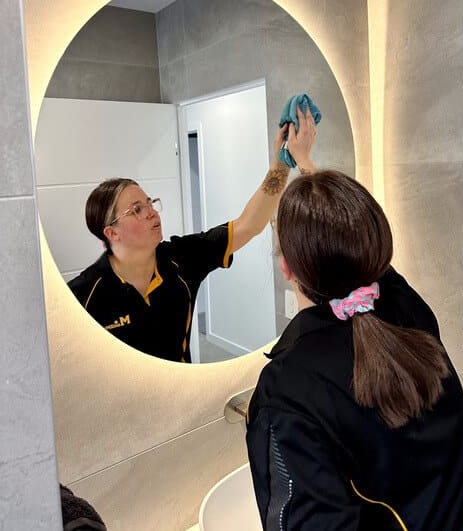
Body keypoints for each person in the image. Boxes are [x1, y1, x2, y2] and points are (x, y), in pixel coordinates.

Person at [246, 170, 463, 531]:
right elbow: (355, 243)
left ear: (286, 267)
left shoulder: (291, 388)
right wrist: (309, 171)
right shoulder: (407, 306)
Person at [68, 106, 317, 362]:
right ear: (112, 232)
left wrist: (281, 164)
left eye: (151, 203)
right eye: (137, 210)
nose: (152, 213)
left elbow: (248, 225)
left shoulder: (182, 258)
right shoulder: (82, 295)